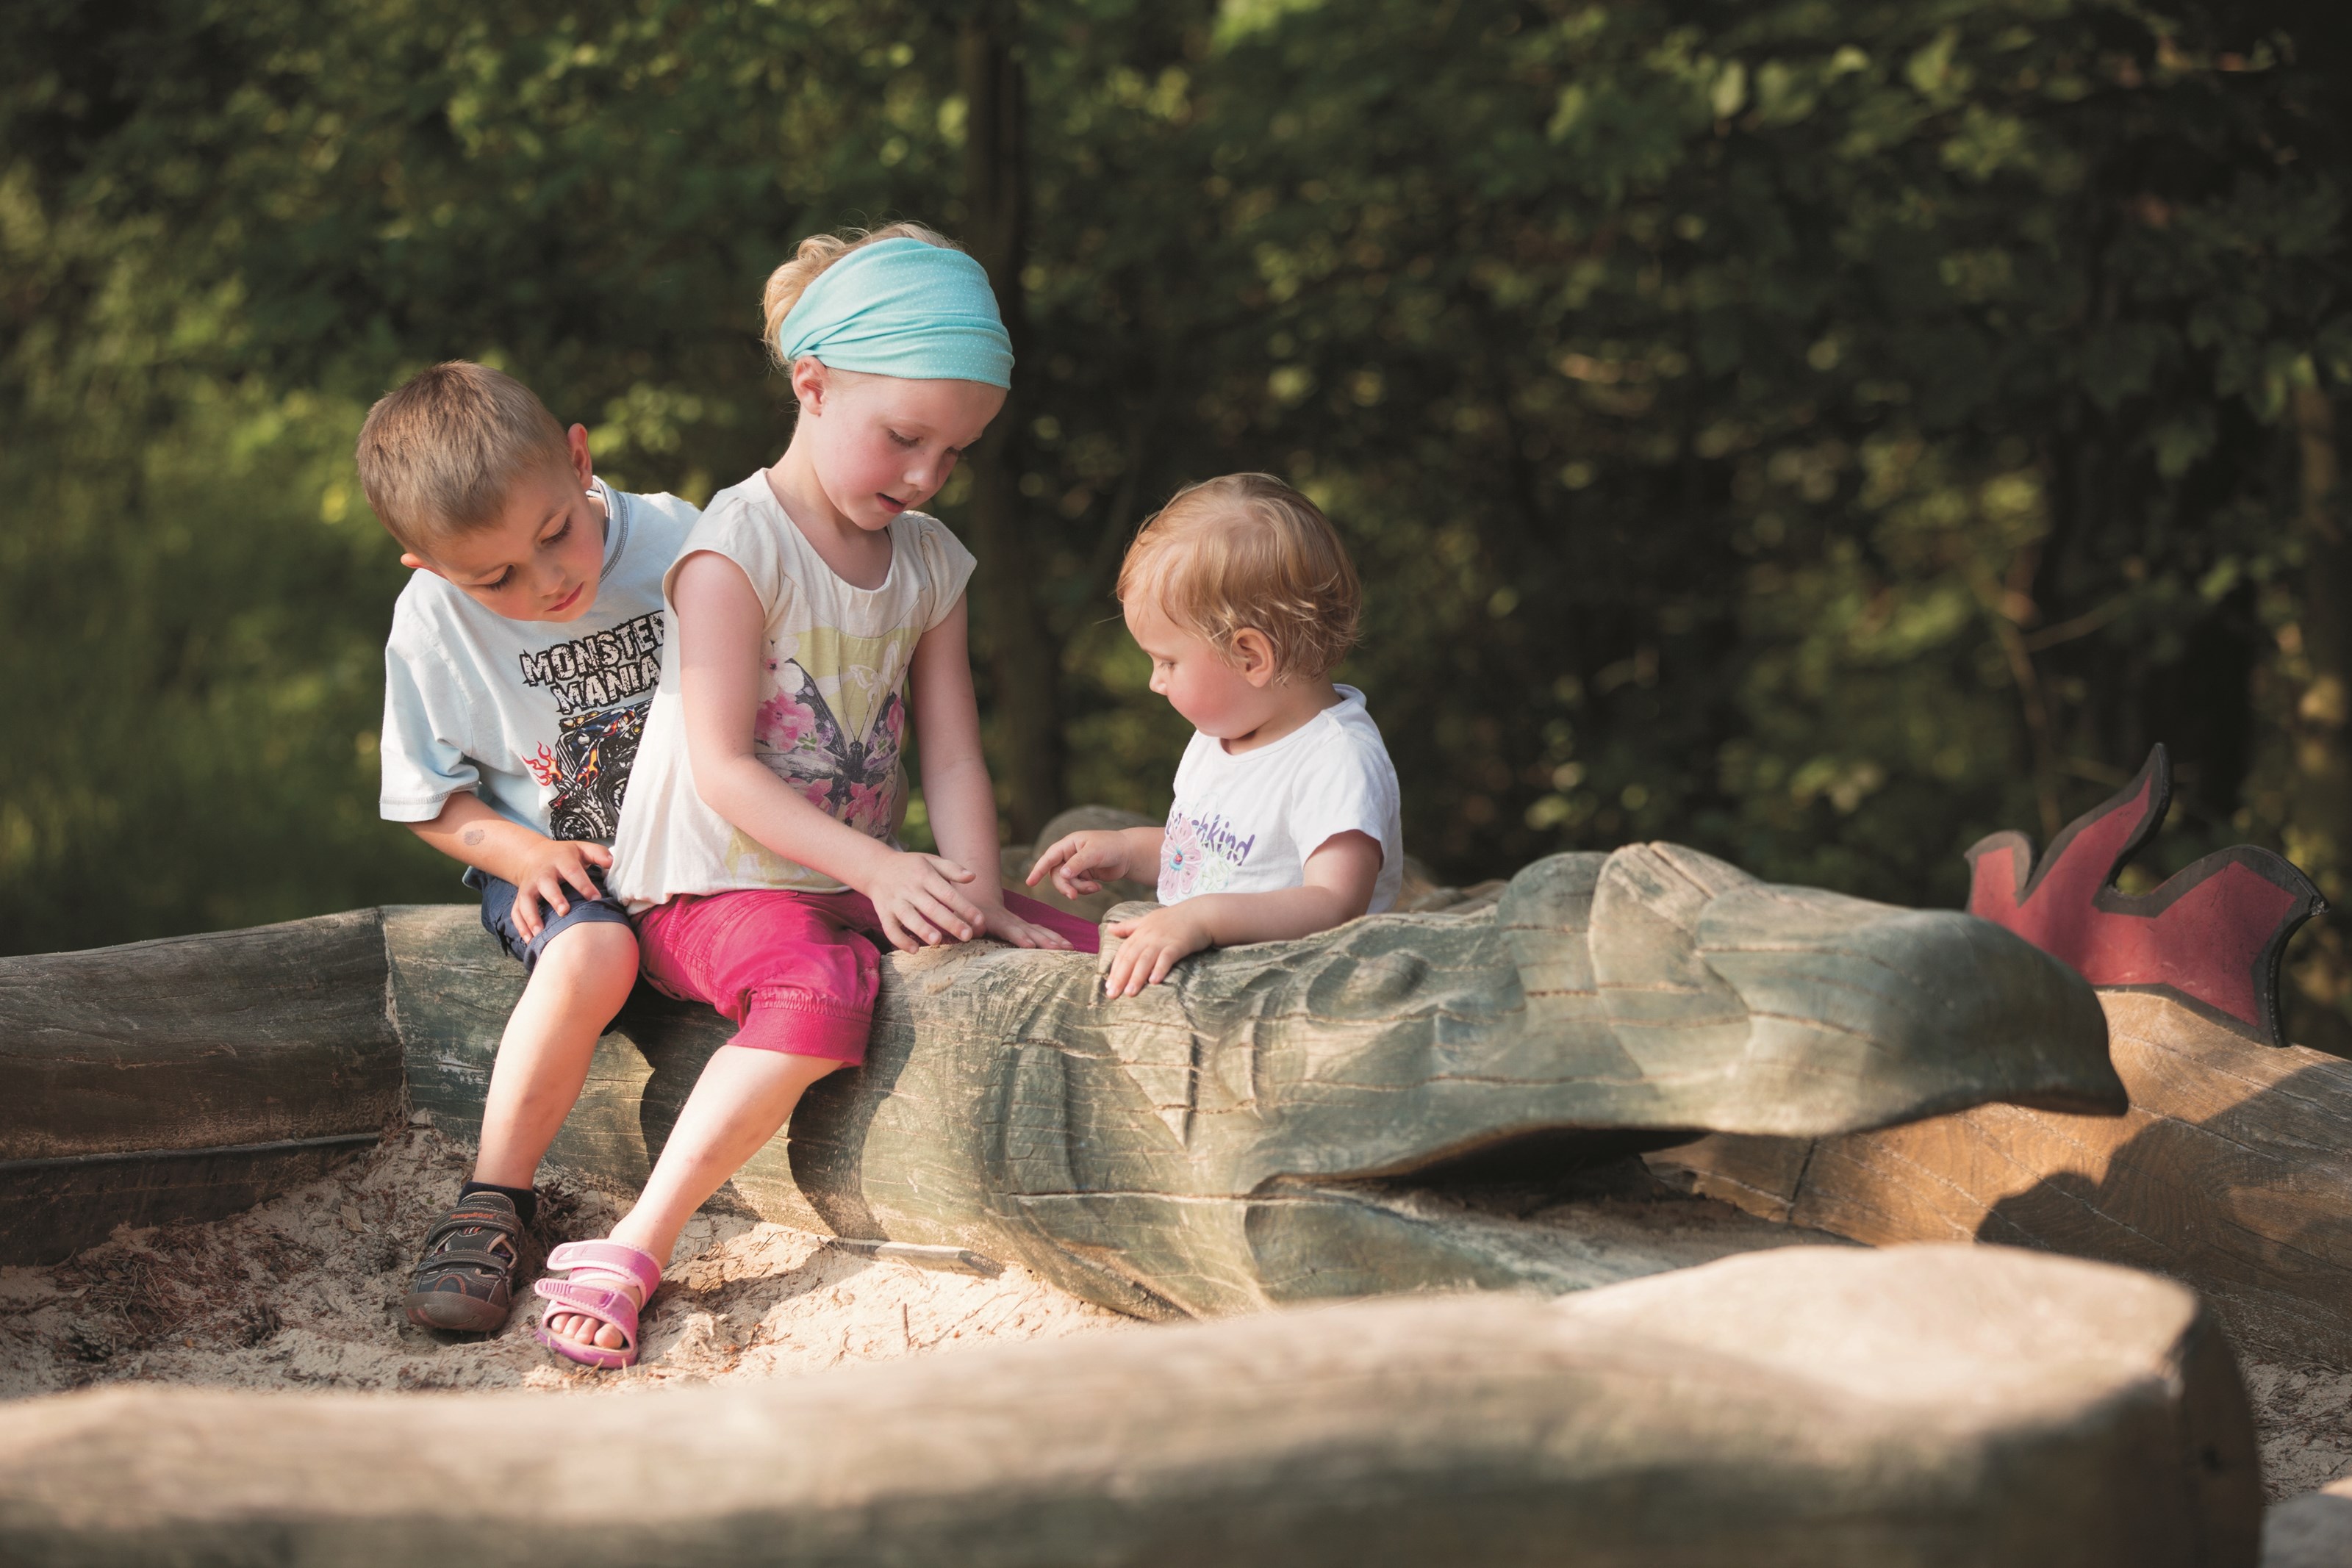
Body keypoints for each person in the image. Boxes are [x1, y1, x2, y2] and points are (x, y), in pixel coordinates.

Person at [537, 225, 1098, 1370]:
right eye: (904, 438)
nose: (927, 476)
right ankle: (638, 1241)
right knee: (821, 984)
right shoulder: (735, 547)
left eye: (956, 451)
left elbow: (952, 758)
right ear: (812, 384)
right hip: (713, 883)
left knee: (1071, 934)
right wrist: (885, 871)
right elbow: (723, 771)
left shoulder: (931, 560)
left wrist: (976, 889)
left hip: (842, 873)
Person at [362, 361, 699, 1333]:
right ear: (429, 568)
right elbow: (426, 796)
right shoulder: (433, 621)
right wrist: (514, 853)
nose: (547, 580)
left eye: (556, 532)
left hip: (706, 845)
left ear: (580, 458)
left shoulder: (682, 542)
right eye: (493, 575)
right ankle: (493, 1198)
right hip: (562, 857)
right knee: (597, 949)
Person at [1028, 473, 1402, 998]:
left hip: (1299, 995)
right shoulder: (1220, 736)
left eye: (1167, 661)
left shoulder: (1335, 758)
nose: (1155, 682)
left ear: (1251, 657)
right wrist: (1125, 851)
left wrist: (1203, 920)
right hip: (1211, 984)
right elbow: (1212, 861)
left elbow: (1333, 904)